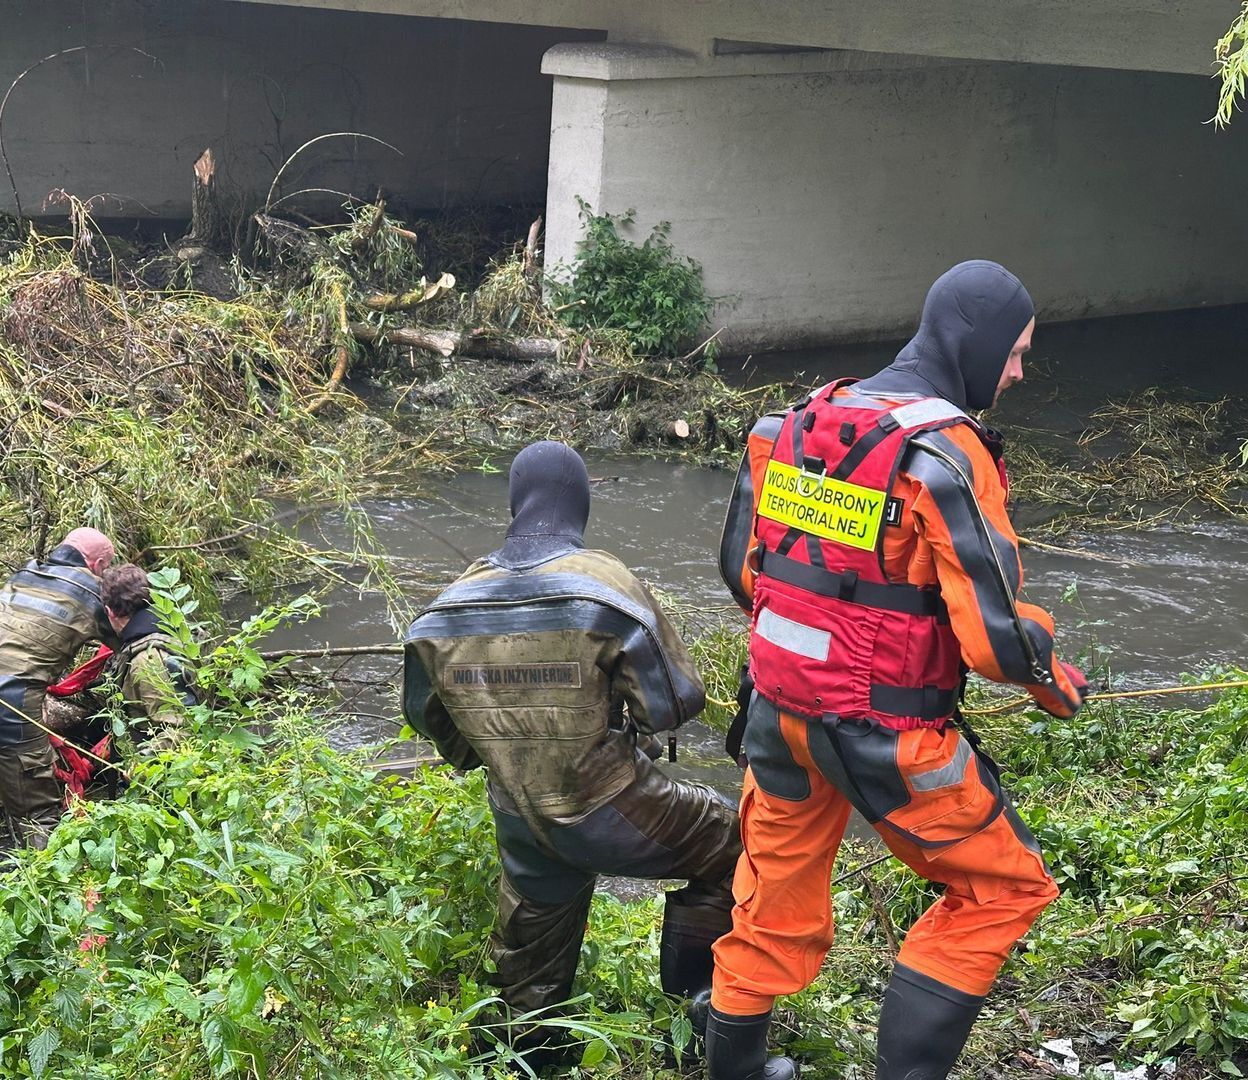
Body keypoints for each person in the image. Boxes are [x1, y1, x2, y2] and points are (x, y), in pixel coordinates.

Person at [708, 261, 1089, 1080]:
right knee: (1003, 890)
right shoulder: (946, 454)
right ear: (973, 342)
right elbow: (993, 642)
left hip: (777, 717)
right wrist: (1052, 677)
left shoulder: (786, 426)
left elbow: (744, 576)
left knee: (770, 895)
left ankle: (732, 1072)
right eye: (1017, 353)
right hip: (888, 737)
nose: (1019, 372)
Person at [403, 440, 741, 1071]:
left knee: (530, 959)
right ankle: (700, 1006)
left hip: (518, 814)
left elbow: (433, 723)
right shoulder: (605, 584)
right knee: (736, 846)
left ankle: (526, 1057)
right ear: (579, 506)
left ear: (514, 504)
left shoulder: (442, 609)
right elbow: (675, 702)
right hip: (610, 805)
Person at [0, 527, 116, 848]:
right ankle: (45, 889)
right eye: (107, 566)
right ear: (97, 563)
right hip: (9, 705)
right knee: (37, 816)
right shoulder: (93, 593)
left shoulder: (22, 574)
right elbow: (125, 640)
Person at [99, 563, 195, 755]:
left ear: (109, 612)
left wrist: (141, 767)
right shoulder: (178, 630)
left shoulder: (147, 659)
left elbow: (181, 730)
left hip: (163, 776)